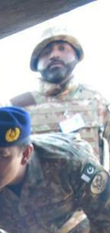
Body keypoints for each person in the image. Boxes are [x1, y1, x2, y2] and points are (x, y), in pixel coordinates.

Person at [10, 27, 110, 166]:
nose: (54, 55)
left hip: (90, 186)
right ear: (36, 62)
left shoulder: (95, 100)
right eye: (46, 52)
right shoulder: (18, 107)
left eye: (62, 48)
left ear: (76, 54)